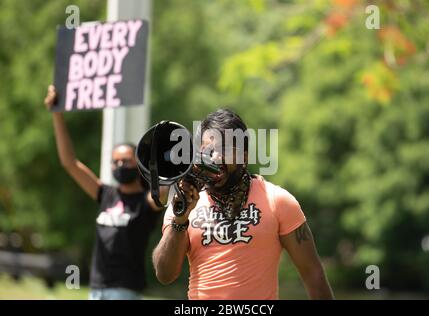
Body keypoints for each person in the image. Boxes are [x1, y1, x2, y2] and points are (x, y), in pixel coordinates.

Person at [152, 108, 334, 299]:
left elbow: (313, 274)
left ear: (244, 157)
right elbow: (165, 275)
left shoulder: (278, 200)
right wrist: (180, 219)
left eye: (225, 150)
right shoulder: (183, 201)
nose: (216, 158)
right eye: (208, 152)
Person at [44, 85, 168, 300]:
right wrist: (57, 114)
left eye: (126, 161)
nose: (120, 165)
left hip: (125, 290)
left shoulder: (146, 201)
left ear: (139, 165)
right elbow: (70, 163)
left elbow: (166, 188)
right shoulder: (106, 194)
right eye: (116, 161)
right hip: (97, 288)